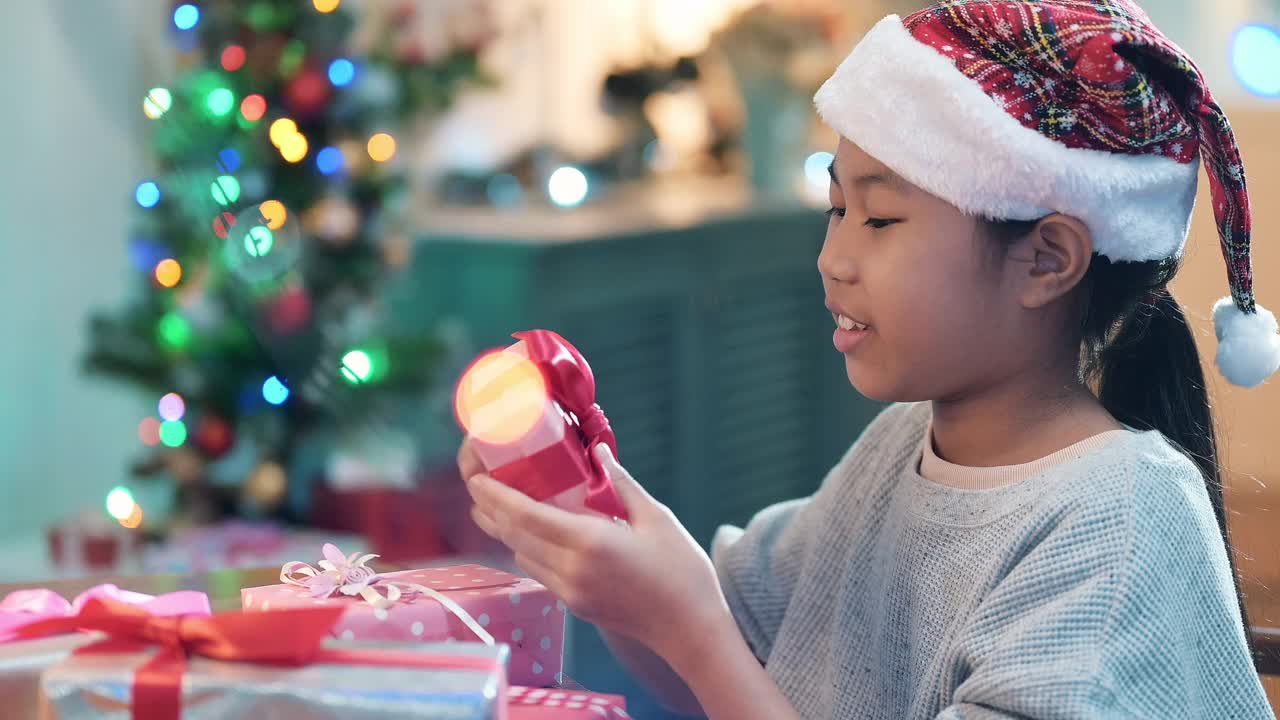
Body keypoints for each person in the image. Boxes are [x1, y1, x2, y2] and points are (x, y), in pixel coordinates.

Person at [462, 1, 1280, 717]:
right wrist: (593, 527)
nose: (833, 258)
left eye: (880, 220)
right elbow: (721, 674)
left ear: (1046, 260)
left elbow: (711, 651)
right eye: (837, 208)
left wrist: (690, 625)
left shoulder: (1116, 526)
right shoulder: (899, 449)